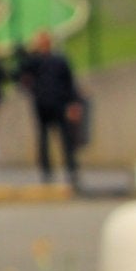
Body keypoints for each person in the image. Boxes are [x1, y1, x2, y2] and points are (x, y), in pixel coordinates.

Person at [17, 29, 85, 187]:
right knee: (43, 138)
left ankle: (71, 169)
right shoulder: (34, 61)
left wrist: (74, 102)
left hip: (60, 104)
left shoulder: (59, 60)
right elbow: (20, 74)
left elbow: (69, 82)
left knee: (65, 138)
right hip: (42, 105)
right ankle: (46, 171)